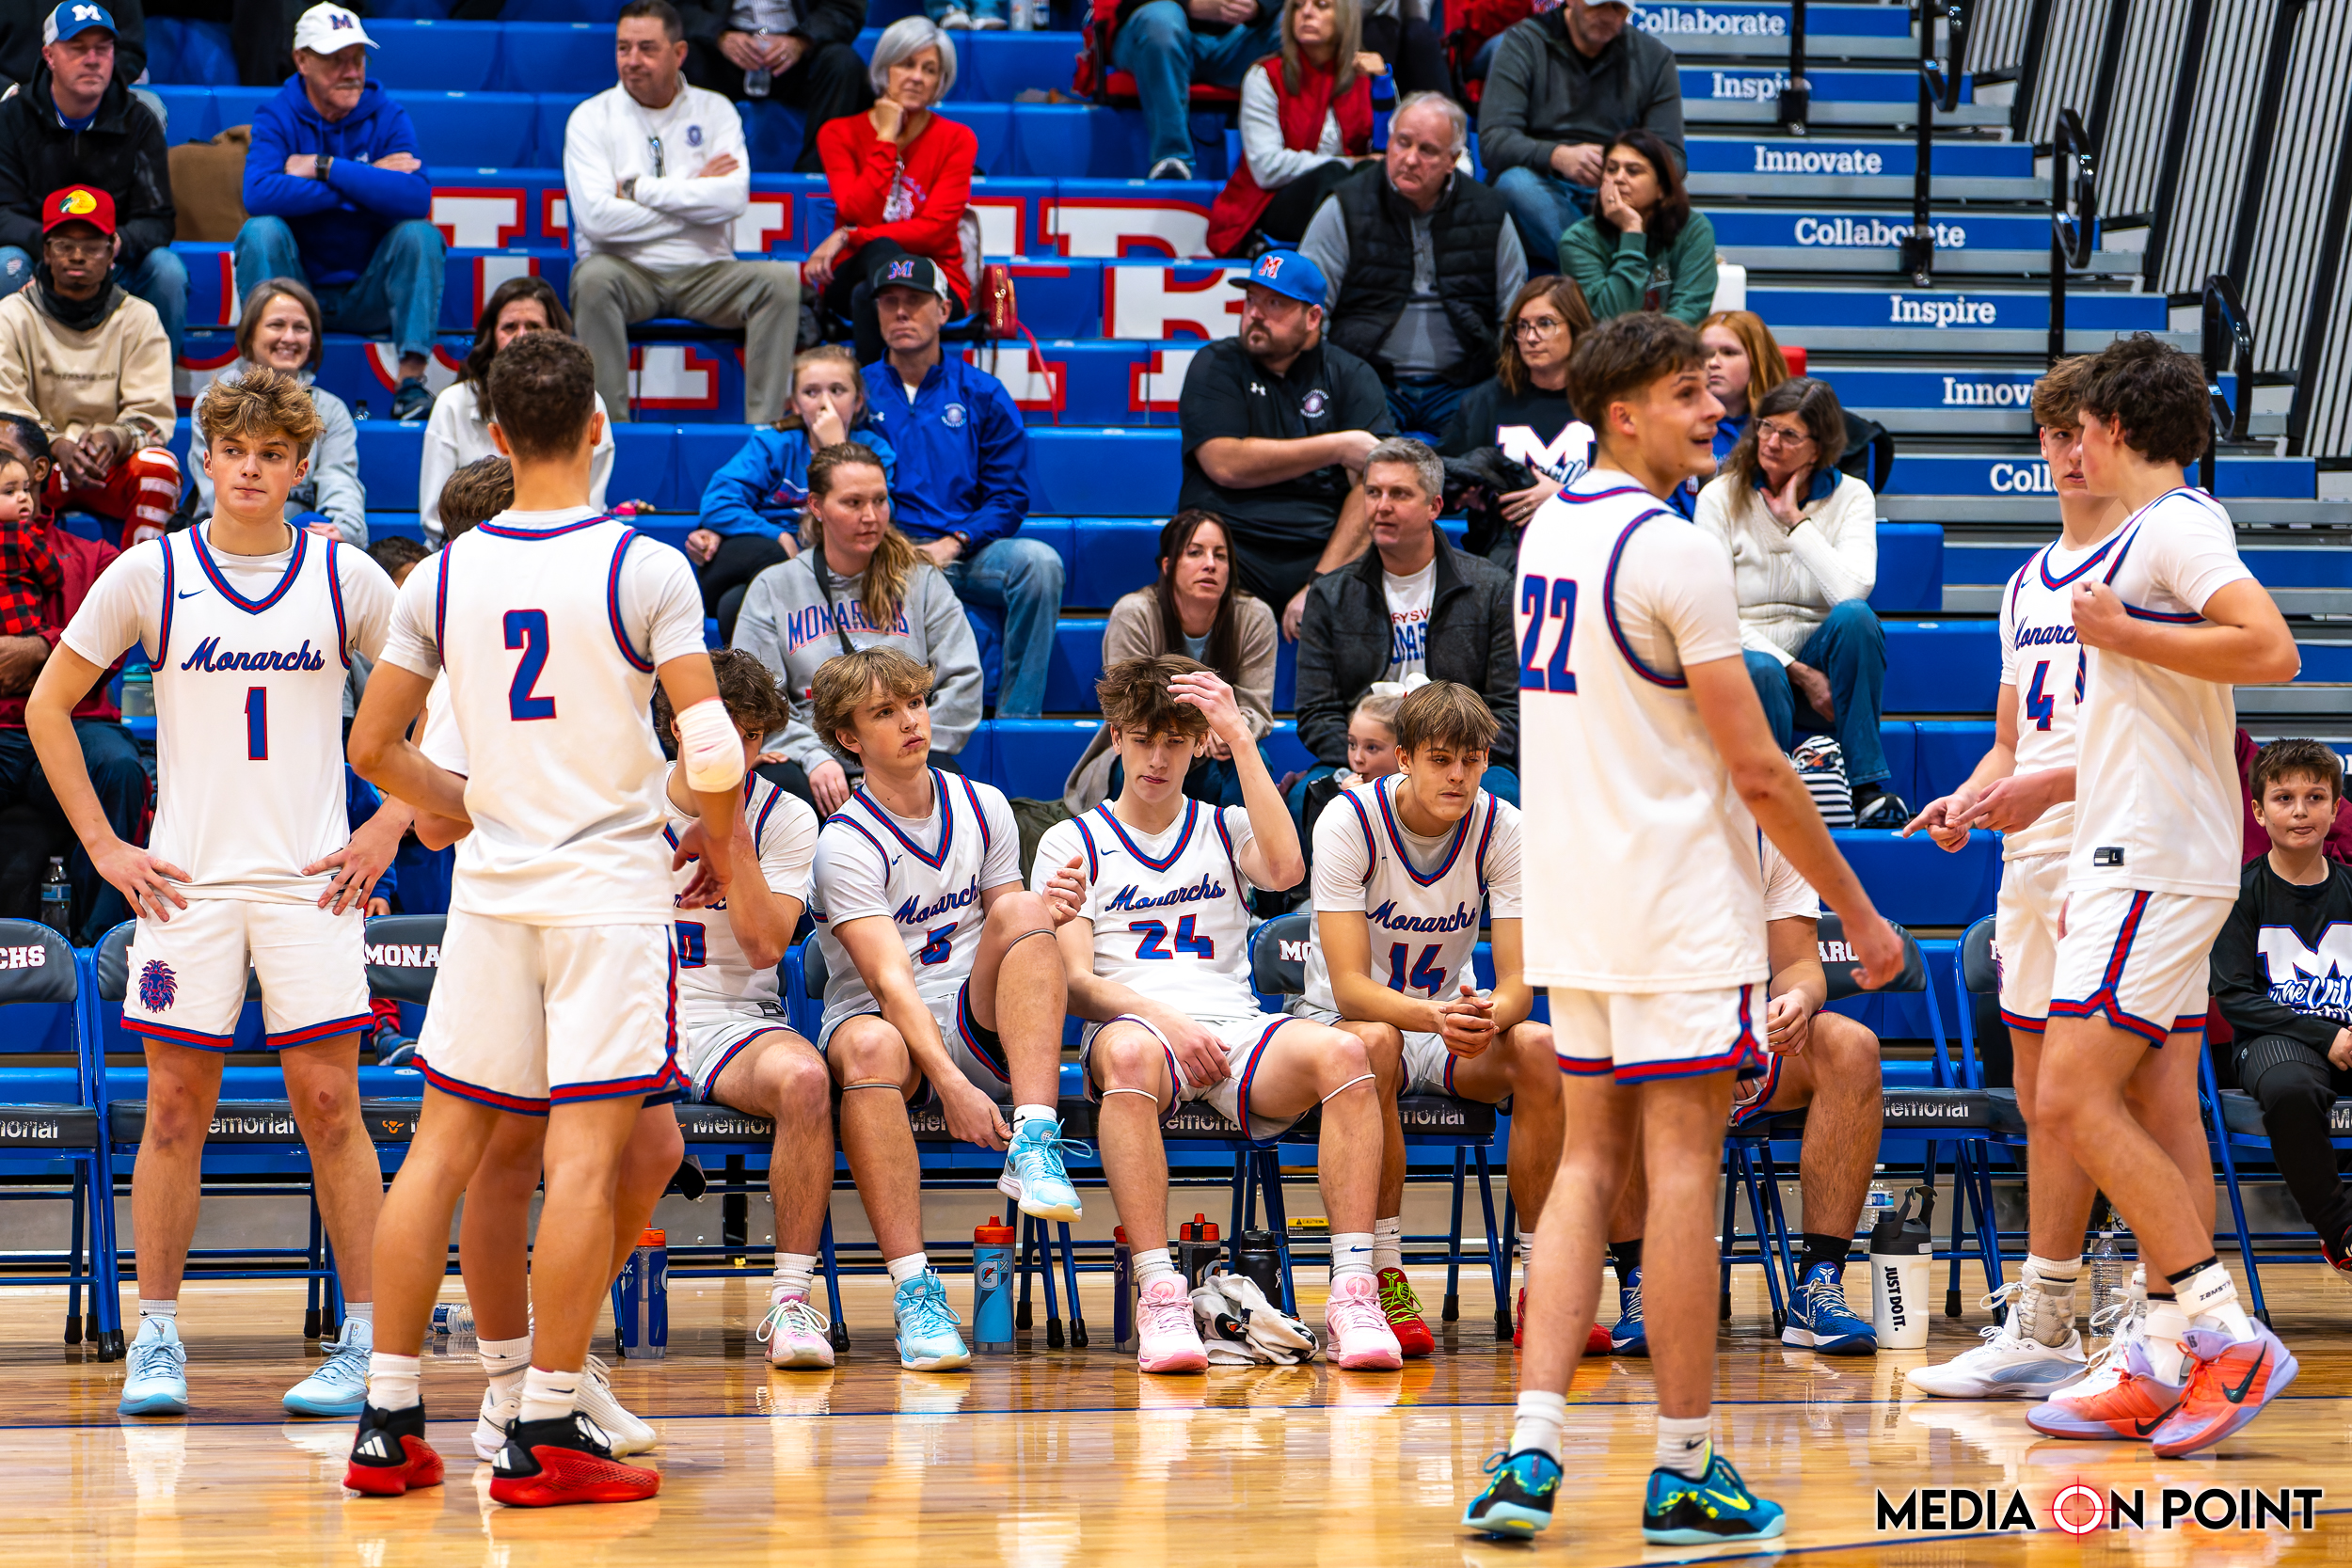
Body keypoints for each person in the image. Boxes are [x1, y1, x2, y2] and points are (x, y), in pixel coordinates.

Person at [1461, 311, 1900, 1544]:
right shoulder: (1673, 549)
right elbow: (1759, 767)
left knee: (1587, 1167)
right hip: (1672, 903)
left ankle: (1530, 1450)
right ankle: (1687, 1467)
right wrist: (1857, 912)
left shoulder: (1552, 528)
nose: (1716, 406)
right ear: (1621, 413)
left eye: (1717, 387)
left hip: (1581, 900)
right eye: (1686, 391)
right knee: (1680, 1174)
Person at [339, 330, 735, 1507]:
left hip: (493, 897)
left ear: (498, 434)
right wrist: (717, 837)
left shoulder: (440, 574)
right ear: (599, 427)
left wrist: (473, 803)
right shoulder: (645, 567)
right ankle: (548, 1427)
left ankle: (388, 1420)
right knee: (584, 1161)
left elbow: (373, 746)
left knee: (440, 1153)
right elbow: (712, 745)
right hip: (606, 896)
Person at [26, 365, 401, 1421]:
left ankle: (368, 1342)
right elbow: (50, 705)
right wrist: (103, 845)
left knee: (331, 1108)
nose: (250, 468)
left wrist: (387, 823)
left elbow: (449, 703)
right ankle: (156, 1335)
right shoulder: (152, 571)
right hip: (185, 885)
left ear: (300, 465)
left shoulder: (346, 576)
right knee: (173, 1111)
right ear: (203, 458)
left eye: (272, 453)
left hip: (310, 884)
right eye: (233, 450)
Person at [2016, 334, 2300, 1460]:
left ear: (2117, 428)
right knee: (2140, 1097)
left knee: (2070, 1096)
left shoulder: (2176, 525)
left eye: (2081, 425)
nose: (2069, 445)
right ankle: (2158, 1352)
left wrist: (2123, 631)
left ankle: (2225, 1331)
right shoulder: (2142, 533)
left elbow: (2272, 649)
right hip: (2130, 848)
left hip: (2155, 856)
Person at [1035, 654, 1403, 1372]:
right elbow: (1076, 983)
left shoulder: (1227, 825)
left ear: (1196, 745)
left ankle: (1354, 1294)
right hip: (1136, 1027)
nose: (1157, 757)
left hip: (1233, 1026)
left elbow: (1288, 870)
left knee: (1347, 1053)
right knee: (1130, 1053)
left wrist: (1238, 734)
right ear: (1117, 737)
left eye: (1175, 741)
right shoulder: (1071, 839)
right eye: (1144, 739)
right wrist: (1166, 1021)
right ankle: (1160, 1292)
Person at [1899, 356, 2137, 1401]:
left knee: (2108, 1095)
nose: (2071, 452)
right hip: (2030, 857)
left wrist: (2043, 787)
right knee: (2043, 1100)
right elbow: (2010, 743)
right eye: (2056, 434)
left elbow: (2161, 740)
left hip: (2116, 844)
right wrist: (1968, 798)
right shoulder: (2023, 580)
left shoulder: (2147, 555)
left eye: (2088, 432)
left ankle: (2162, 1307)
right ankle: (2048, 1317)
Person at [400, 636, 686, 1464]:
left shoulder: (606, 614)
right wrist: (525, 798)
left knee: (650, 1149)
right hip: (526, 913)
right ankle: (512, 1384)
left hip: (608, 916)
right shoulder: (474, 636)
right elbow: (430, 817)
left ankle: (557, 1357)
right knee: (511, 1156)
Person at [806, 645, 1086, 1370]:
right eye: (885, 711)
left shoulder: (983, 805)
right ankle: (915, 1294)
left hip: (972, 1013)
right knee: (871, 1046)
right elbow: (891, 983)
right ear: (847, 736)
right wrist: (953, 1084)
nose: (910, 721)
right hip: (884, 1027)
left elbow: (1010, 935)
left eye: (916, 703)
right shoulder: (843, 843)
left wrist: (1044, 923)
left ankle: (1034, 1140)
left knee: (1023, 908)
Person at [1289, 681, 1557, 1359]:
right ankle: (1383, 1276)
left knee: (1540, 1048)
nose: (1459, 775)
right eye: (1441, 759)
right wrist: (1436, 1017)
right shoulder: (1349, 821)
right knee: (1375, 1042)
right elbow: (1350, 989)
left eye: (1472, 759)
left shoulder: (1504, 826)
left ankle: (1545, 1282)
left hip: (1443, 1023)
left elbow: (1521, 984)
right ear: (1404, 757)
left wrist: (1487, 1014)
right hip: (1348, 1024)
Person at [1602, 830, 1887, 1358]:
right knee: (1603, 1054)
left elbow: (1800, 964)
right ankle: (1641, 1284)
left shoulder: (1770, 829)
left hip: (1750, 1036)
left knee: (1852, 1047)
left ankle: (1818, 1283)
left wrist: (1798, 999)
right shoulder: (1627, 824)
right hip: (1653, 1036)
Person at [648, 651, 836, 1366]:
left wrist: (732, 838)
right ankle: (546, 1308)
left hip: (731, 1018)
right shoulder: (626, 797)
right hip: (632, 1009)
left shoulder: (786, 817)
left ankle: (791, 1301)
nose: (741, 751)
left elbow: (763, 947)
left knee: (807, 1079)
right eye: (725, 733)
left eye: (754, 737)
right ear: (677, 727)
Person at [565, 0, 801, 426]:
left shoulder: (716, 110)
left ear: (679, 53)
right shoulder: (590, 118)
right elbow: (597, 221)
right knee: (591, 279)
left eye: (647, 48)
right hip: (626, 272)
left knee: (780, 283)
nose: (632, 60)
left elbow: (733, 199)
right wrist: (696, 198)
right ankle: (610, 432)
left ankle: (763, 432)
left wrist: (636, 190)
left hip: (707, 273)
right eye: (623, 47)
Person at [857, 257, 1063, 720]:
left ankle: (1017, 721)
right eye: (889, 302)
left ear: (944, 310)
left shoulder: (982, 392)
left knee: (1040, 564)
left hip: (963, 553)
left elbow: (1008, 497)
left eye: (915, 300)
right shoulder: (856, 391)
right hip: (884, 552)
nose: (901, 312)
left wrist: (955, 542)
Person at [1694, 377, 1900, 826]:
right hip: (1750, 664)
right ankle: (1769, 798)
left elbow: (1851, 591)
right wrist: (1799, 673)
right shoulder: (1720, 497)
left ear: (1818, 448)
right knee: (1764, 668)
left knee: (1856, 618)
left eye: (1789, 434)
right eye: (1766, 427)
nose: (1771, 442)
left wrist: (1795, 522)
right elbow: (1713, 612)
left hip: (1825, 667)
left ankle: (1865, 790)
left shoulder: (1852, 496)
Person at [732, 441, 979, 812]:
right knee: (778, 786)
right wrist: (813, 757)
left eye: (880, 501)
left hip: (904, 749)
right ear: (816, 506)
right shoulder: (774, 587)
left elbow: (964, 681)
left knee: (944, 783)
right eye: (853, 503)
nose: (871, 516)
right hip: (815, 762)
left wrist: (903, 750)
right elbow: (758, 700)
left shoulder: (921, 580)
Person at [236, 4, 444, 423]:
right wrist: (368, 183)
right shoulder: (277, 113)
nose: (351, 71)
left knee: (420, 235)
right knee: (261, 232)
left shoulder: (387, 114)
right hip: (297, 290)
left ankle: (410, 385)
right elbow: (259, 195)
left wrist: (326, 167)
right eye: (336, 60)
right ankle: (270, 385)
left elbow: (415, 199)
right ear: (302, 61)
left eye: (358, 58)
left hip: (371, 291)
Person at [1295, 437, 1518, 815]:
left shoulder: (1492, 588)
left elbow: (1508, 709)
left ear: (1435, 506)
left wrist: (1447, 757)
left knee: (1502, 793)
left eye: (1399, 494)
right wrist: (1371, 754)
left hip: (1462, 756)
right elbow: (1316, 711)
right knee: (1304, 797)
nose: (1382, 506)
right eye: (1373, 492)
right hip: (1365, 756)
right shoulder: (1330, 594)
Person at [1177, 248, 1392, 637]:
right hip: (1230, 549)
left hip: (1321, 549)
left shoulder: (1351, 375)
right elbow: (1224, 462)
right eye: (1251, 300)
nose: (1255, 313)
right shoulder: (1215, 363)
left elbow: (1374, 485)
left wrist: (1322, 583)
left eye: (1275, 303)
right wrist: (1338, 447)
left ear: (1313, 318)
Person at [1299, 92, 1525, 442]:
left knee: (1478, 463)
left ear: (1453, 160)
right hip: (1370, 379)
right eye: (1402, 143)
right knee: (1369, 460)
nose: (1410, 159)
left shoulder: (1489, 212)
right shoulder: (1345, 205)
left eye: (1428, 150)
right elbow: (1310, 308)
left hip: (1464, 384)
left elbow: (1514, 312)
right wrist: (1330, 379)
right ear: (1388, 142)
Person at [2211, 739, 2352, 1277]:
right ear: (2257, 811)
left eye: (2315, 797)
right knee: (2292, 1090)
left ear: (2335, 809)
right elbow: (2235, 997)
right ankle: (2341, 1230)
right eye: (2284, 798)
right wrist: (2327, 1037)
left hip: (2347, 1035)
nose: (2300, 811)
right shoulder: (2239, 893)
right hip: (2273, 1041)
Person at [0, 415, 135, 940]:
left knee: (119, 767)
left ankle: (104, 945)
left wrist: (41, 649)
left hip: (78, 721)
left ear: (38, 471)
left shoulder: (95, 557)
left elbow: (115, 647)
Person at [0, 3, 183, 363]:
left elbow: (158, 220)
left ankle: (154, 389)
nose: (93, 60)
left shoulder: (139, 121)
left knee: (167, 271)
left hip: (111, 258)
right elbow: (3, 213)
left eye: (103, 48)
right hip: (39, 256)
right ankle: (9, 391)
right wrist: (55, 246)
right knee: (7, 263)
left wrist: (115, 243)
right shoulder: (11, 118)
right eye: (78, 48)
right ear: (49, 56)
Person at [1063, 510, 1278, 815]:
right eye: (1195, 552)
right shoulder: (1134, 613)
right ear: (1168, 565)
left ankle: (1243, 845)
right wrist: (1201, 727)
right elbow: (1130, 705)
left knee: (1254, 758)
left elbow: (1255, 708)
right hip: (1147, 745)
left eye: (1220, 555)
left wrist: (1226, 731)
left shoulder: (1254, 617)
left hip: (1213, 752)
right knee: (1141, 759)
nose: (1210, 564)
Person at [0, 185, 178, 547]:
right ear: (46, 251)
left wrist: (115, 438)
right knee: (6, 470)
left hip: (108, 464)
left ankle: (142, 573)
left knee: (160, 468)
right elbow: (7, 418)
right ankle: (19, 572)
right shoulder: (11, 315)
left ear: (111, 251)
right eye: (64, 245)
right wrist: (55, 445)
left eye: (92, 246)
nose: (78, 256)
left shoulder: (139, 318)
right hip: (37, 465)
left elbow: (152, 416)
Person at [691, 343, 896, 636]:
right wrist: (778, 535)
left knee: (733, 604)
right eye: (811, 392)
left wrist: (837, 448)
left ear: (859, 401)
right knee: (771, 556)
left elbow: (881, 513)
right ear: (796, 404)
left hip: (832, 560)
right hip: (766, 552)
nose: (825, 403)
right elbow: (718, 502)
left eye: (837, 390)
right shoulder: (774, 445)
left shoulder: (875, 451)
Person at [805, 19, 975, 367]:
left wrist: (850, 235)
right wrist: (885, 138)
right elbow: (859, 211)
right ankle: (910, 389)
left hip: (938, 277)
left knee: (868, 295)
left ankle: (875, 394)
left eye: (929, 70)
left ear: (940, 82)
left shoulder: (957, 139)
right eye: (906, 64)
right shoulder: (838, 133)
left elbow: (936, 231)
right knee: (880, 253)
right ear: (885, 69)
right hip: (853, 269)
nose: (917, 77)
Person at [1476, 0, 1683, 269]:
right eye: (1597, 5)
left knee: (1669, 198)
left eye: (1617, 8)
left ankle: (1603, 271)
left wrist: (1622, 168)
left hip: (1619, 190)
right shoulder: (1524, 43)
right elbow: (1494, 140)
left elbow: (1673, 158)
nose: (1607, 16)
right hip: (1544, 183)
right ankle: (1603, 271)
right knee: (1514, 185)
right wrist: (1558, 156)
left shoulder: (1654, 58)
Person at [419, 277, 615, 545]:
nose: (521, 337)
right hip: (467, 551)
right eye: (510, 327)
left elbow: (589, 510)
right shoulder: (452, 402)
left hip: (567, 548)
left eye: (534, 326)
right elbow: (436, 522)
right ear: (491, 337)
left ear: (556, 335)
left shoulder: (588, 402)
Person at [189, 278, 365, 546]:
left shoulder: (330, 409)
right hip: (228, 534)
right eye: (276, 325)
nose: (289, 338)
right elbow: (220, 490)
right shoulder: (214, 400)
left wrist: (343, 528)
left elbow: (338, 477)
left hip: (302, 535)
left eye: (301, 328)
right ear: (250, 333)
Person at [1439, 275, 1592, 568]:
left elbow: (1634, 485)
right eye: (1522, 326)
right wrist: (1462, 491)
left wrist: (1566, 496)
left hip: (1588, 552)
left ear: (1576, 328)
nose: (1531, 337)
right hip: (1501, 556)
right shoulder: (1485, 402)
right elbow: (1438, 475)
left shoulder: (1607, 402)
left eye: (1545, 324)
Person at [1204, 0, 1377, 258]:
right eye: (1297, 6)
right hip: (1272, 200)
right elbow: (1266, 168)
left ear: (1345, 15)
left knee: (1371, 176)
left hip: (1348, 195)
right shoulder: (1265, 76)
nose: (1306, 12)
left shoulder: (1365, 78)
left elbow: (1386, 153)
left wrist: (1383, 84)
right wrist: (1349, 162)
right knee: (1335, 174)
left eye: (1321, 5)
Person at [675, 0, 872, 174]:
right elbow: (676, 7)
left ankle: (814, 178)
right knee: (680, 59)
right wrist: (719, 35)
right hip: (720, 51)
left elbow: (845, 8)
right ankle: (691, 169)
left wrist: (802, 40)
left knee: (842, 64)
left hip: (801, 53)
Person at [1111, 0, 1281, 182]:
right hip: (1157, 31)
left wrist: (1259, 7)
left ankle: (1283, 157)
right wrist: (1190, 5)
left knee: (1290, 24)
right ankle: (1171, 160)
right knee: (1161, 19)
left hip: (1237, 41)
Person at [1558, 129, 1715, 325]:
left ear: (1661, 188)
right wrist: (1632, 232)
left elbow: (1689, 312)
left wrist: (1647, 341)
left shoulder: (1693, 230)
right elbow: (1607, 318)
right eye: (1611, 169)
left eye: (1633, 171)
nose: (1618, 178)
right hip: (1606, 345)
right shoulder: (1579, 241)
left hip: (1674, 342)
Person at [1666, 309, 1789, 521]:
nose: (1713, 362)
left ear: (1758, 362)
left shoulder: (1785, 433)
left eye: (1729, 353)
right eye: (1705, 353)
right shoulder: (1670, 424)